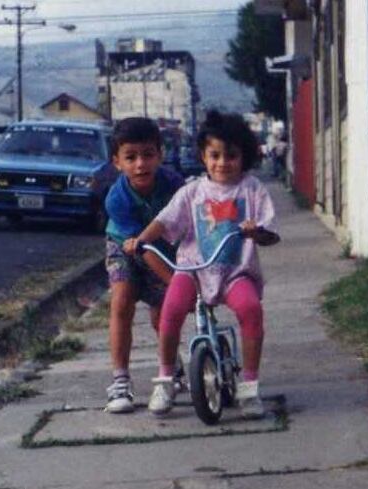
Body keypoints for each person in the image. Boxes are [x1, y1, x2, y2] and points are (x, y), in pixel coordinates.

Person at [124, 110, 280, 418]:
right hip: (193, 270)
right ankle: (166, 379)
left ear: (244, 157)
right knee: (170, 310)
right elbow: (163, 221)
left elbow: (270, 235)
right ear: (203, 156)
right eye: (215, 155)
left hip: (236, 272)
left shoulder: (252, 190)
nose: (222, 162)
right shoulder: (192, 192)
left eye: (231, 156)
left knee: (250, 309)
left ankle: (249, 386)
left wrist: (256, 231)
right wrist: (139, 241)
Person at [103, 117, 186, 413]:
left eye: (148, 155)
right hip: (125, 246)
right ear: (117, 162)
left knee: (162, 314)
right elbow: (140, 247)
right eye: (131, 157)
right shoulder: (117, 199)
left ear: (160, 155)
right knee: (122, 301)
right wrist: (176, 283)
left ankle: (172, 366)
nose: (140, 164)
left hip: (163, 246)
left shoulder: (175, 185)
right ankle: (120, 381)